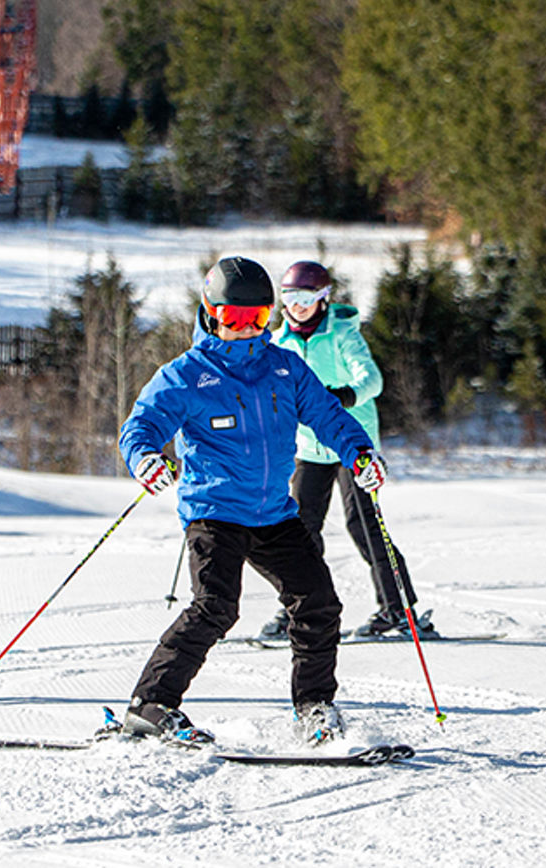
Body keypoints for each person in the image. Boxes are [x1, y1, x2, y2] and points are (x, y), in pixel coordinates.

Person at [117, 256, 386, 746]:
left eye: (257, 319)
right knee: (216, 606)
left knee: (318, 603)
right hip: (214, 510)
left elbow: (328, 416)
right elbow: (141, 427)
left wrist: (359, 453)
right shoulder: (186, 374)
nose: (245, 330)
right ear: (209, 312)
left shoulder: (284, 367)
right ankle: (152, 704)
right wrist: (145, 459)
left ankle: (314, 707)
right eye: (234, 319)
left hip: (272, 513)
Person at [259, 259, 437, 642]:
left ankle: (400, 611)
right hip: (309, 447)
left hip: (351, 441)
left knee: (363, 525)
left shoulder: (341, 334)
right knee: (299, 528)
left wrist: (344, 396)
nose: (298, 305)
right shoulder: (278, 342)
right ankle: (297, 607)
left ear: (323, 298)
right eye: (290, 297)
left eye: (307, 297)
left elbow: (372, 379)